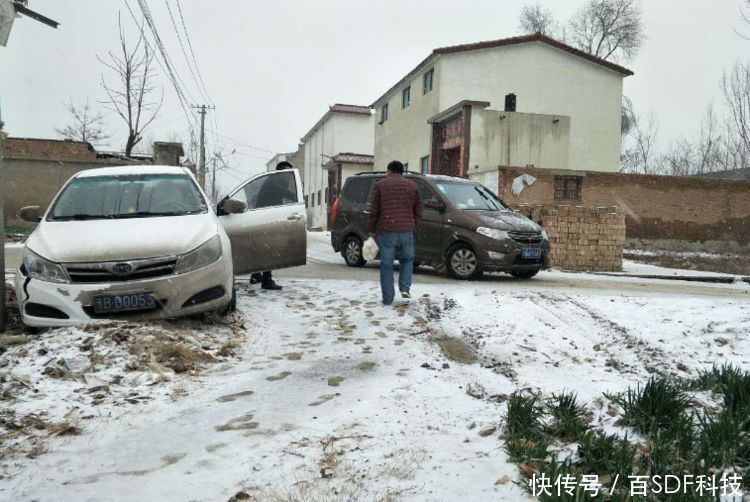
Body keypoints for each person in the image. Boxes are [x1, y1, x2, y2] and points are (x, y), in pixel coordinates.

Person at [368, 160, 422, 305]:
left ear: (390, 171)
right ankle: (405, 288)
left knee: (386, 264)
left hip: (387, 230)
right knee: (407, 259)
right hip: (406, 230)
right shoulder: (413, 186)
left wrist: (372, 230)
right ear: (401, 172)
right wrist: (414, 225)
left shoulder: (380, 185)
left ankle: (388, 298)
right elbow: (418, 209)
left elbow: (374, 210)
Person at [250, 160, 294, 290]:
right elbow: (285, 193)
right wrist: (297, 196)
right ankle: (267, 280)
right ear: (280, 173)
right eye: (287, 174)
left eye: (291, 175)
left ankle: (256, 275)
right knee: (269, 249)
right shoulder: (274, 183)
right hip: (265, 220)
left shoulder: (274, 182)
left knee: (263, 249)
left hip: (264, 218)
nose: (289, 177)